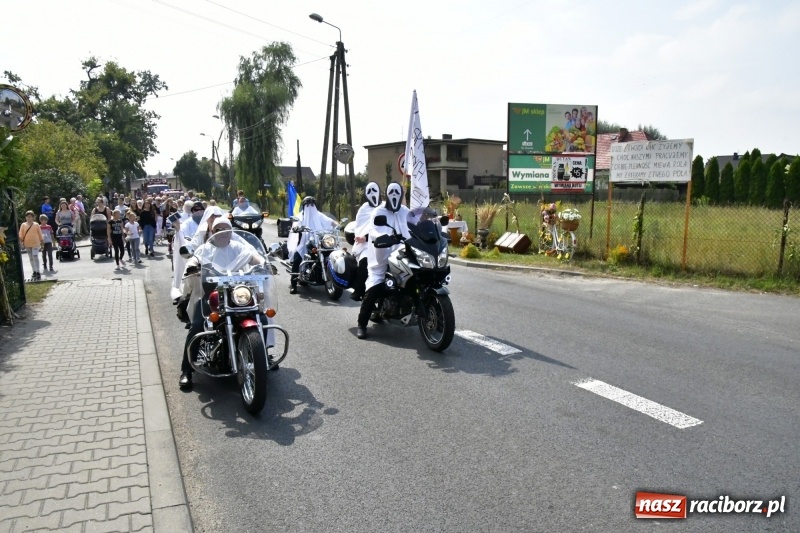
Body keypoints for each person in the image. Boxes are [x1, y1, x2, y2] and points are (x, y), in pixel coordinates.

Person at [178, 218, 268, 389]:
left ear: (230, 232)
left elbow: (252, 255)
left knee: (262, 320)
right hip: (212, 294)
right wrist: (192, 266)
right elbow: (195, 259)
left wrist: (263, 264)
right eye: (217, 229)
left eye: (225, 229)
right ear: (212, 232)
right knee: (197, 325)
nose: (221, 232)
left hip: (238, 294)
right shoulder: (205, 249)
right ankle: (187, 370)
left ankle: (261, 358)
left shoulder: (238, 247)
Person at [356, 182, 410, 339]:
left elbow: (414, 225)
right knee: (374, 287)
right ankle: (362, 324)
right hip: (383, 257)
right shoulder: (379, 211)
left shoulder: (405, 211)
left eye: (397, 192)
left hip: (404, 256)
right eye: (391, 192)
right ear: (386, 194)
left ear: (401, 195)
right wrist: (382, 238)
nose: (394, 195)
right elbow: (373, 229)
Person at [286, 196, 338, 295]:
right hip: (304, 243)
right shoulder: (300, 216)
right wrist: (297, 228)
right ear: (304, 206)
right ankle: (293, 284)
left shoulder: (319, 215)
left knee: (331, 253)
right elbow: (296, 225)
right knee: (297, 259)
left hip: (319, 241)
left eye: (312, 205)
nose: (310, 207)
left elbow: (330, 221)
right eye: (308, 205)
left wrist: (338, 225)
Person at [349, 181, 381, 301]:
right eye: (369, 191)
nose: (372, 193)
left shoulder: (384, 206)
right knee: (364, 262)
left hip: (386, 243)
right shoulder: (364, 209)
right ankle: (359, 290)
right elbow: (361, 227)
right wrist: (363, 237)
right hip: (367, 245)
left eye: (374, 190)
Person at [170, 201, 205, 300]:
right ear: (192, 211)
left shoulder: (207, 223)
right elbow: (182, 236)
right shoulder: (187, 223)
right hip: (192, 253)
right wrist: (178, 230)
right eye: (195, 210)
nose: (198, 212)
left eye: (200, 210)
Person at [19, 211, 44, 280]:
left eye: (30, 217)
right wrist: (21, 243)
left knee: (35, 256)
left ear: (33, 217)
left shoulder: (36, 225)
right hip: (27, 244)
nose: (28, 218)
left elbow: (40, 234)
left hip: (35, 243)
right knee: (31, 258)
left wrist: (42, 243)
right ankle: (34, 271)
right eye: (27, 217)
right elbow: (21, 235)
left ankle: (38, 271)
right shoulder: (23, 225)